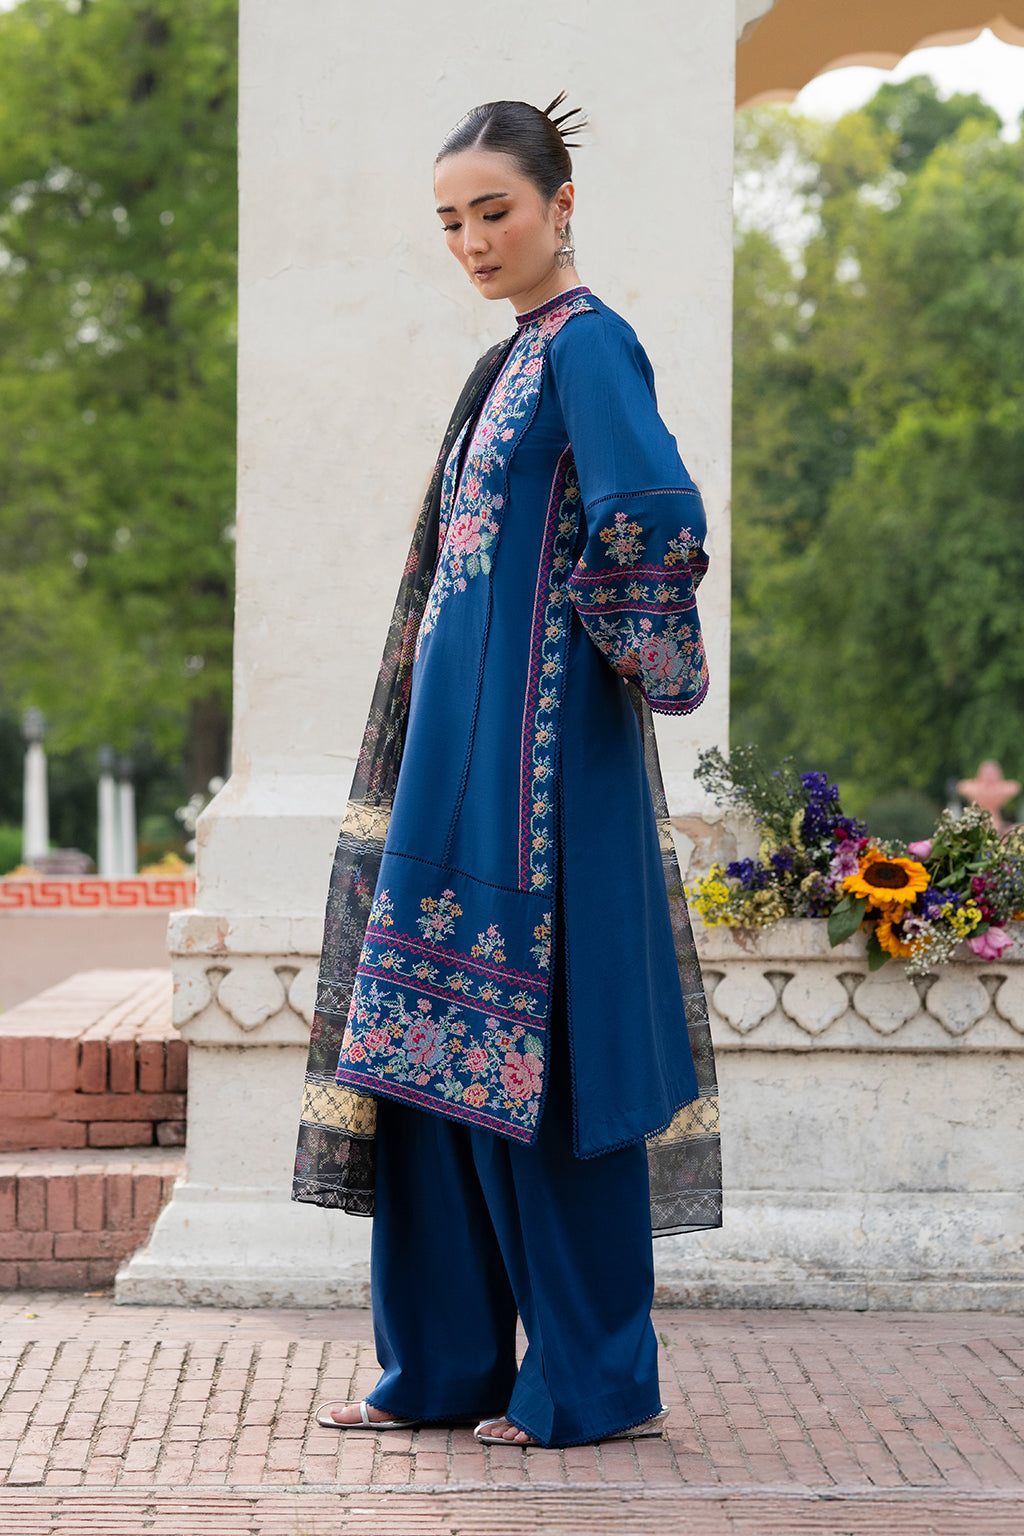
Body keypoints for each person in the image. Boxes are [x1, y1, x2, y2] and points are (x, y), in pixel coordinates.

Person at [292, 95, 721, 1450]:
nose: (474, 240)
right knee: (428, 1052)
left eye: (497, 212)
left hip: (546, 773)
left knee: (552, 1057)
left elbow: (652, 512)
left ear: (561, 205)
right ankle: (443, 1367)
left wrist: (610, 650)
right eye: (452, 222)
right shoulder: (507, 362)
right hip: (446, 768)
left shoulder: (594, 348)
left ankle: (591, 1382)